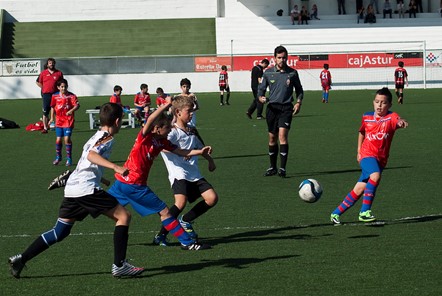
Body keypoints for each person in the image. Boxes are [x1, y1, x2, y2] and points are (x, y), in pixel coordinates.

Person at [8, 103, 145, 278]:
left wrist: (100, 177)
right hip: (86, 189)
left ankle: (21, 258)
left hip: (73, 188)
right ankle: (120, 265)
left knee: (60, 231)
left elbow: (85, 161)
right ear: (117, 121)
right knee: (124, 216)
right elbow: (91, 156)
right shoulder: (108, 138)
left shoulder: (94, 136)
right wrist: (115, 167)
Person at [107, 97, 211, 251]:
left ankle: (73, 212)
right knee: (165, 212)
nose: (170, 130)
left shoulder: (162, 142)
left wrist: (200, 152)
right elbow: (151, 118)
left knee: (99, 204)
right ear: (157, 128)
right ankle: (188, 243)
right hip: (134, 185)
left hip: (121, 183)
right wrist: (166, 105)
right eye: (167, 128)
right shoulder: (144, 137)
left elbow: (181, 151)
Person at [330, 88, 408, 225]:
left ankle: (336, 213)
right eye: (377, 102)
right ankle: (364, 211)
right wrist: (359, 151)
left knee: (359, 188)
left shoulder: (391, 117)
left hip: (381, 159)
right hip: (367, 155)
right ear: (373, 102)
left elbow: (398, 119)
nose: (379, 105)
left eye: (383, 103)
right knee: (375, 176)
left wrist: (401, 122)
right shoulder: (366, 117)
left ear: (389, 105)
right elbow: (361, 132)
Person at [153, 96, 218, 246]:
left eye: (192, 111)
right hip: (178, 173)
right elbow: (163, 146)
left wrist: (210, 160)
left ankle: (185, 220)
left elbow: (201, 149)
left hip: (194, 173)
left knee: (212, 198)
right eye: (189, 111)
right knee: (180, 203)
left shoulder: (192, 130)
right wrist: (183, 152)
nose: (191, 114)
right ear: (178, 112)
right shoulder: (172, 132)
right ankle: (161, 235)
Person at [258, 45, 304, 178]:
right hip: (272, 108)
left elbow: (300, 90)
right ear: (274, 58)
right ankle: (272, 167)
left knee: (282, 136)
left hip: (286, 108)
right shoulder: (268, 73)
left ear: (287, 58)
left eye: (284, 58)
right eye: (279, 58)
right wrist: (260, 97)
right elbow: (261, 89)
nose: (282, 60)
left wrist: (298, 102)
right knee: (272, 138)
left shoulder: (292, 73)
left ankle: (282, 168)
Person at [49, 79, 80, 167]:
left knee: (66, 139)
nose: (63, 88)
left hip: (68, 120)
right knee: (58, 140)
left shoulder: (71, 96)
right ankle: (58, 157)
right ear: (58, 87)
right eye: (62, 87)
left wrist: (71, 110)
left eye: (65, 86)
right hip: (59, 121)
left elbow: (77, 105)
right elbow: (52, 107)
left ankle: (69, 158)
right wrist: (51, 118)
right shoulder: (54, 96)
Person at [36, 58, 64, 134]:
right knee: (45, 111)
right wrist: (44, 88)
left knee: (57, 110)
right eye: (50, 63)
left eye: (52, 63)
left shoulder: (59, 73)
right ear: (47, 64)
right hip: (46, 94)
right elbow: (38, 82)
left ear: (54, 64)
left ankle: (57, 126)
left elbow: (62, 83)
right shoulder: (43, 73)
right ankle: (45, 128)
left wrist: (61, 90)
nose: (51, 64)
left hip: (56, 94)